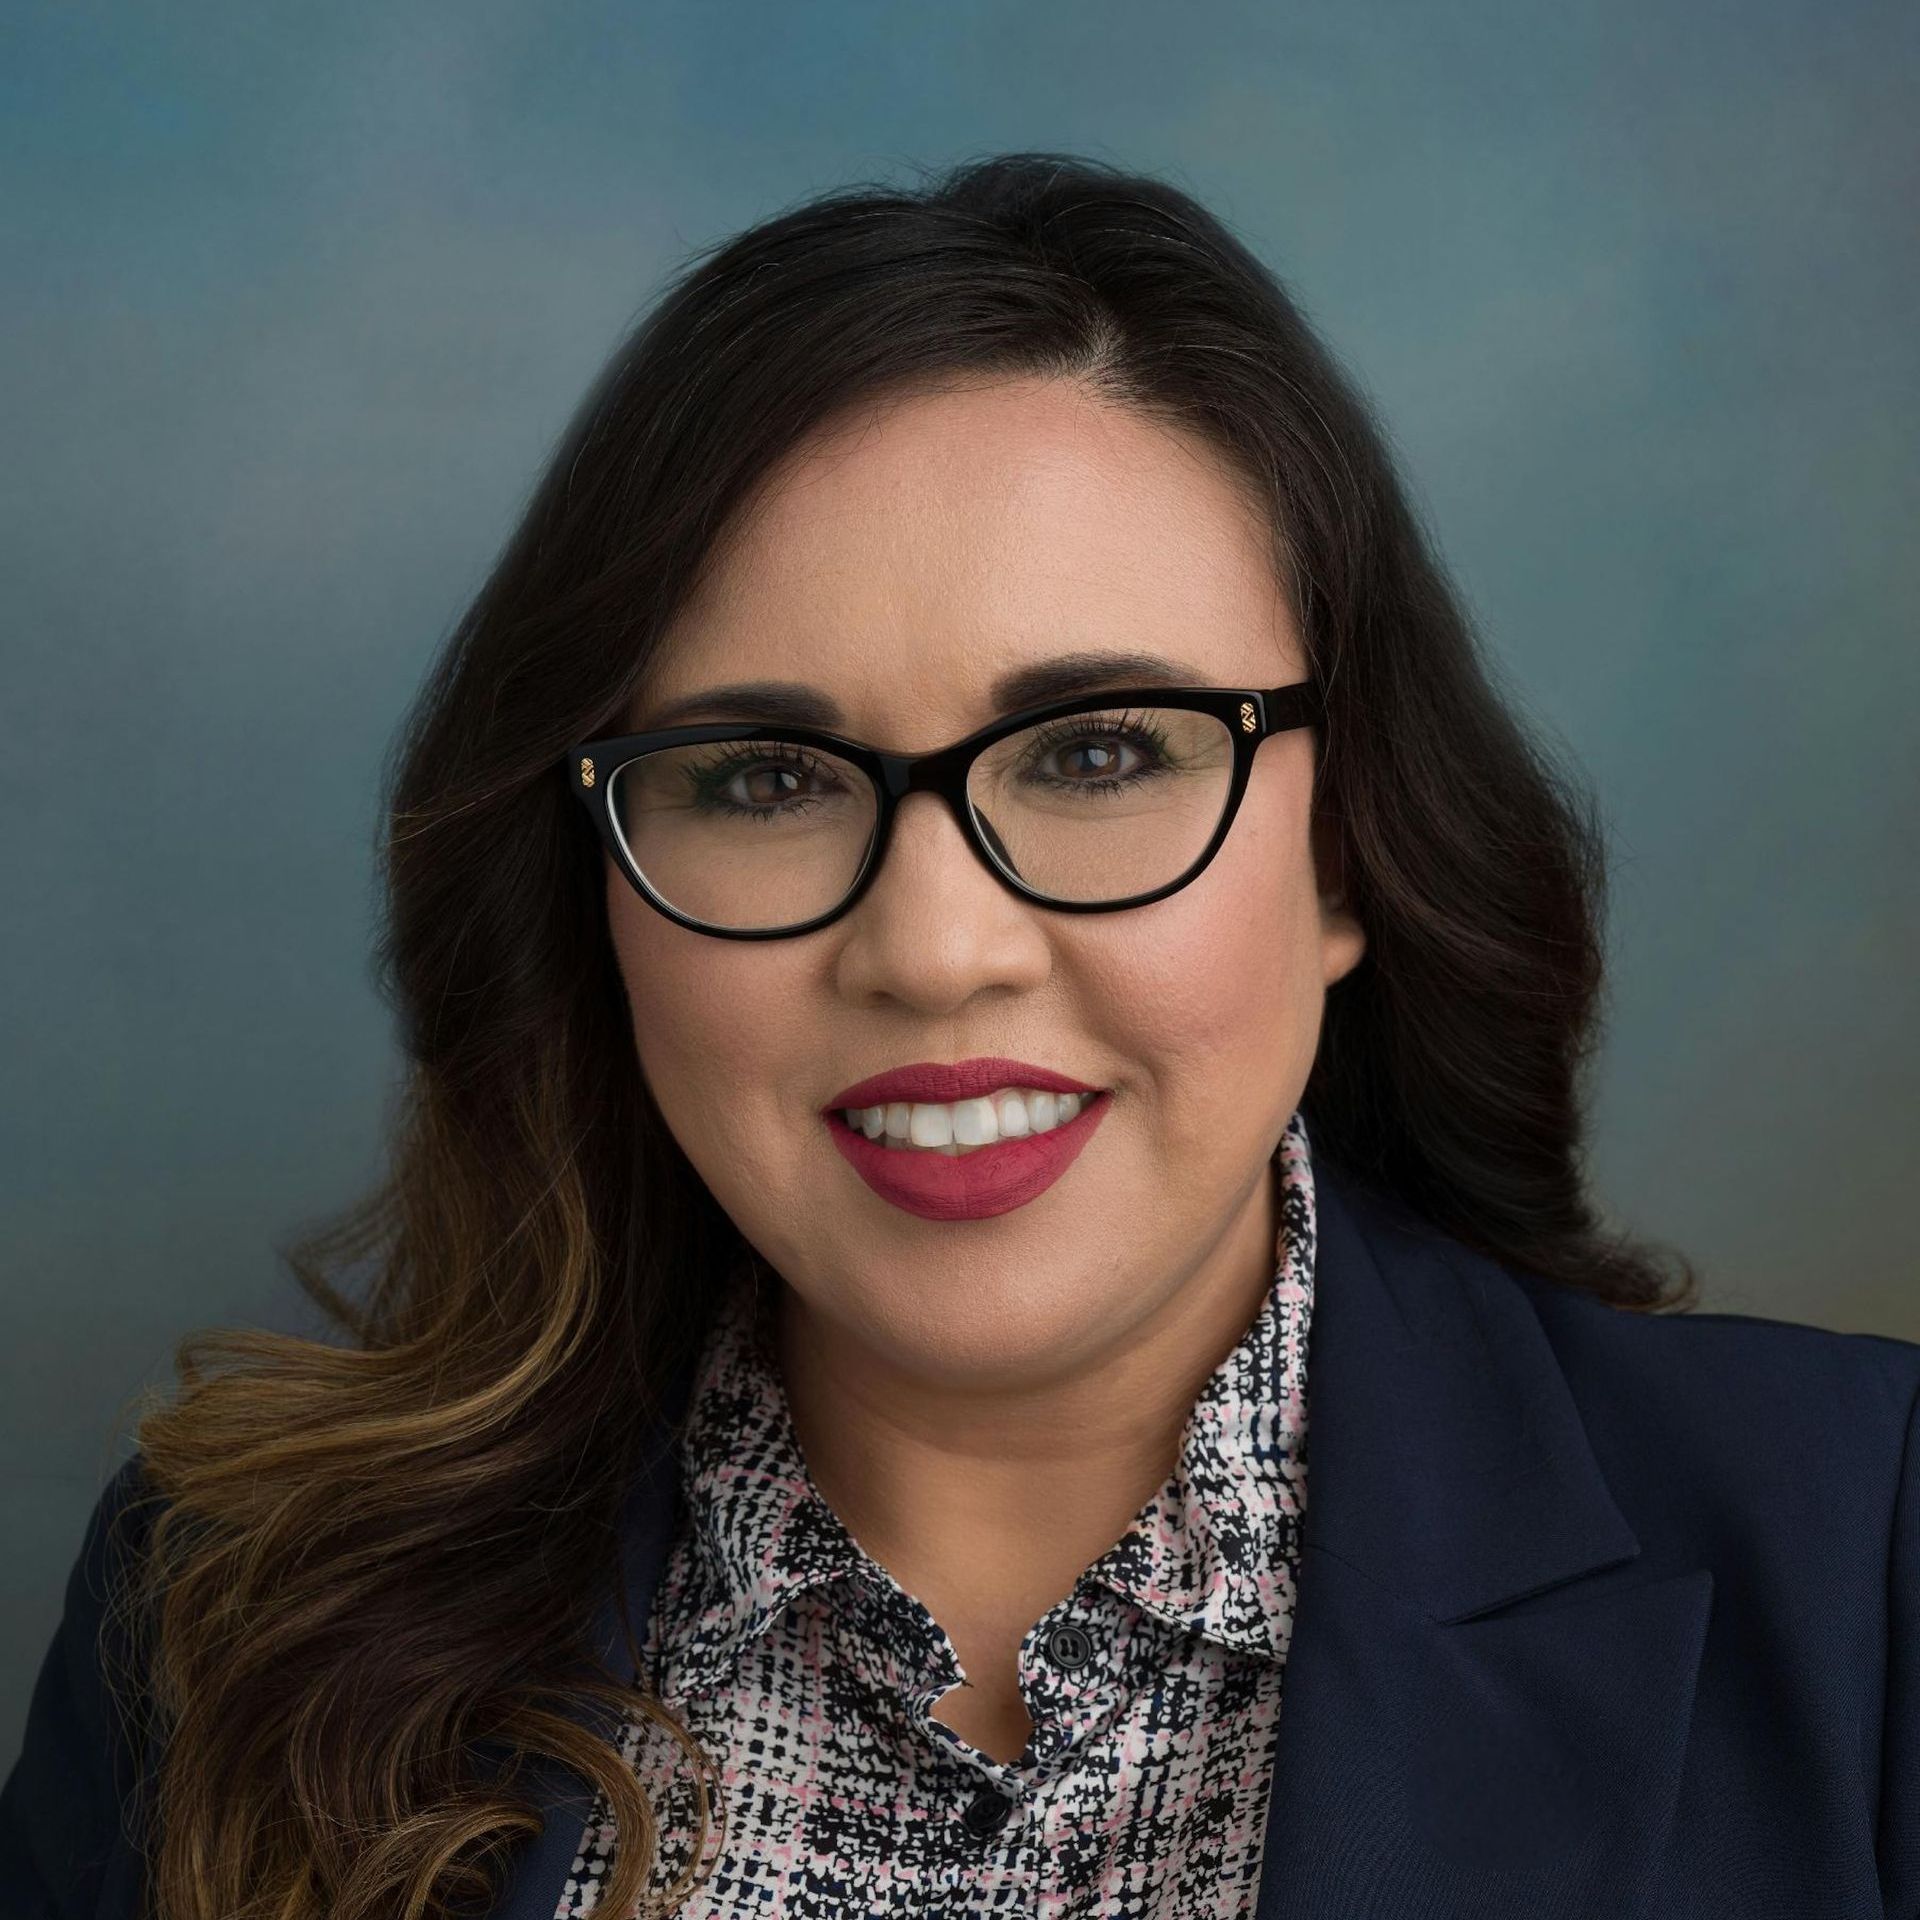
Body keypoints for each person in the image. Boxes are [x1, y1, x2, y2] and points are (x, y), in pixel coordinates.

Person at [4, 151, 1916, 1920]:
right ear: (592, 890)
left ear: (1354, 856)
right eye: (760, 778)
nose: (932, 950)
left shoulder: (1870, 1567)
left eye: (1100, 754)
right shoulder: (218, 1617)